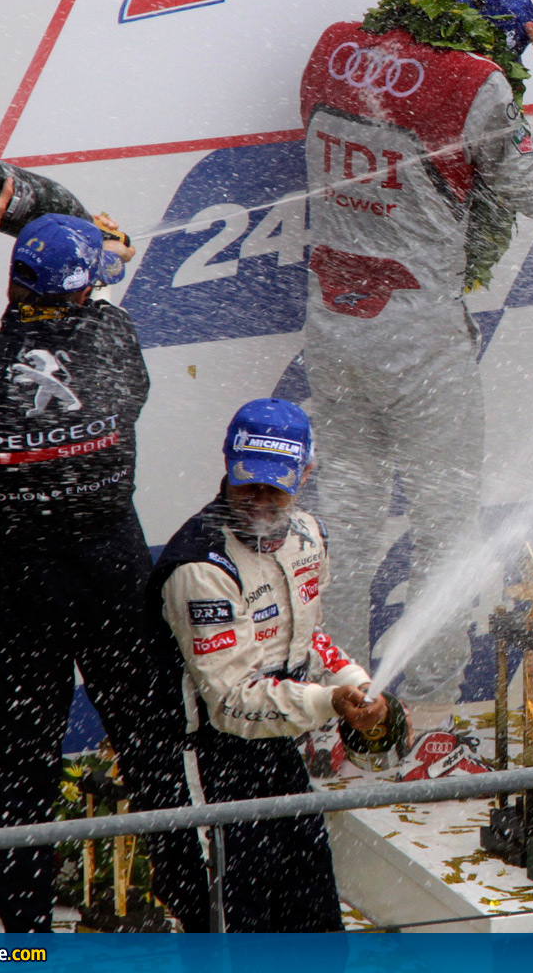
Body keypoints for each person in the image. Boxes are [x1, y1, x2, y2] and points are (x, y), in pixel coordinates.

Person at [298, 0, 533, 749]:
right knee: (444, 536)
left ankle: (330, 725)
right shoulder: (477, 82)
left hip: (333, 331)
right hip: (418, 340)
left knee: (345, 534)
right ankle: (427, 728)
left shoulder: (333, 49)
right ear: (509, 42)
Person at [0, 192, 207, 932]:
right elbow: (97, 294)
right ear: (84, 292)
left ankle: (20, 947)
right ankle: (201, 926)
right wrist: (109, 250)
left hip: (24, 590)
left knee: (18, 775)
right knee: (156, 757)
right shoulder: (114, 342)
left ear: (16, 285)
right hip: (113, 578)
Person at [151, 399, 389, 931]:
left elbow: (308, 639)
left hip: (278, 749)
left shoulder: (308, 535)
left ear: (305, 473)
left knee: (314, 918)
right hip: (209, 761)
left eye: (274, 485)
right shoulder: (200, 565)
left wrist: (356, 684)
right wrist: (329, 702)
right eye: (248, 483)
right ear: (226, 465)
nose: (259, 498)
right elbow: (231, 702)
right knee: (234, 934)